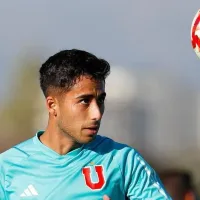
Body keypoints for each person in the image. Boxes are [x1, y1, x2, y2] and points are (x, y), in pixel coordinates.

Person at [0, 49, 171, 200]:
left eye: (100, 100)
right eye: (84, 101)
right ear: (52, 105)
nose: (97, 113)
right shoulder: (7, 168)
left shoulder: (123, 160)